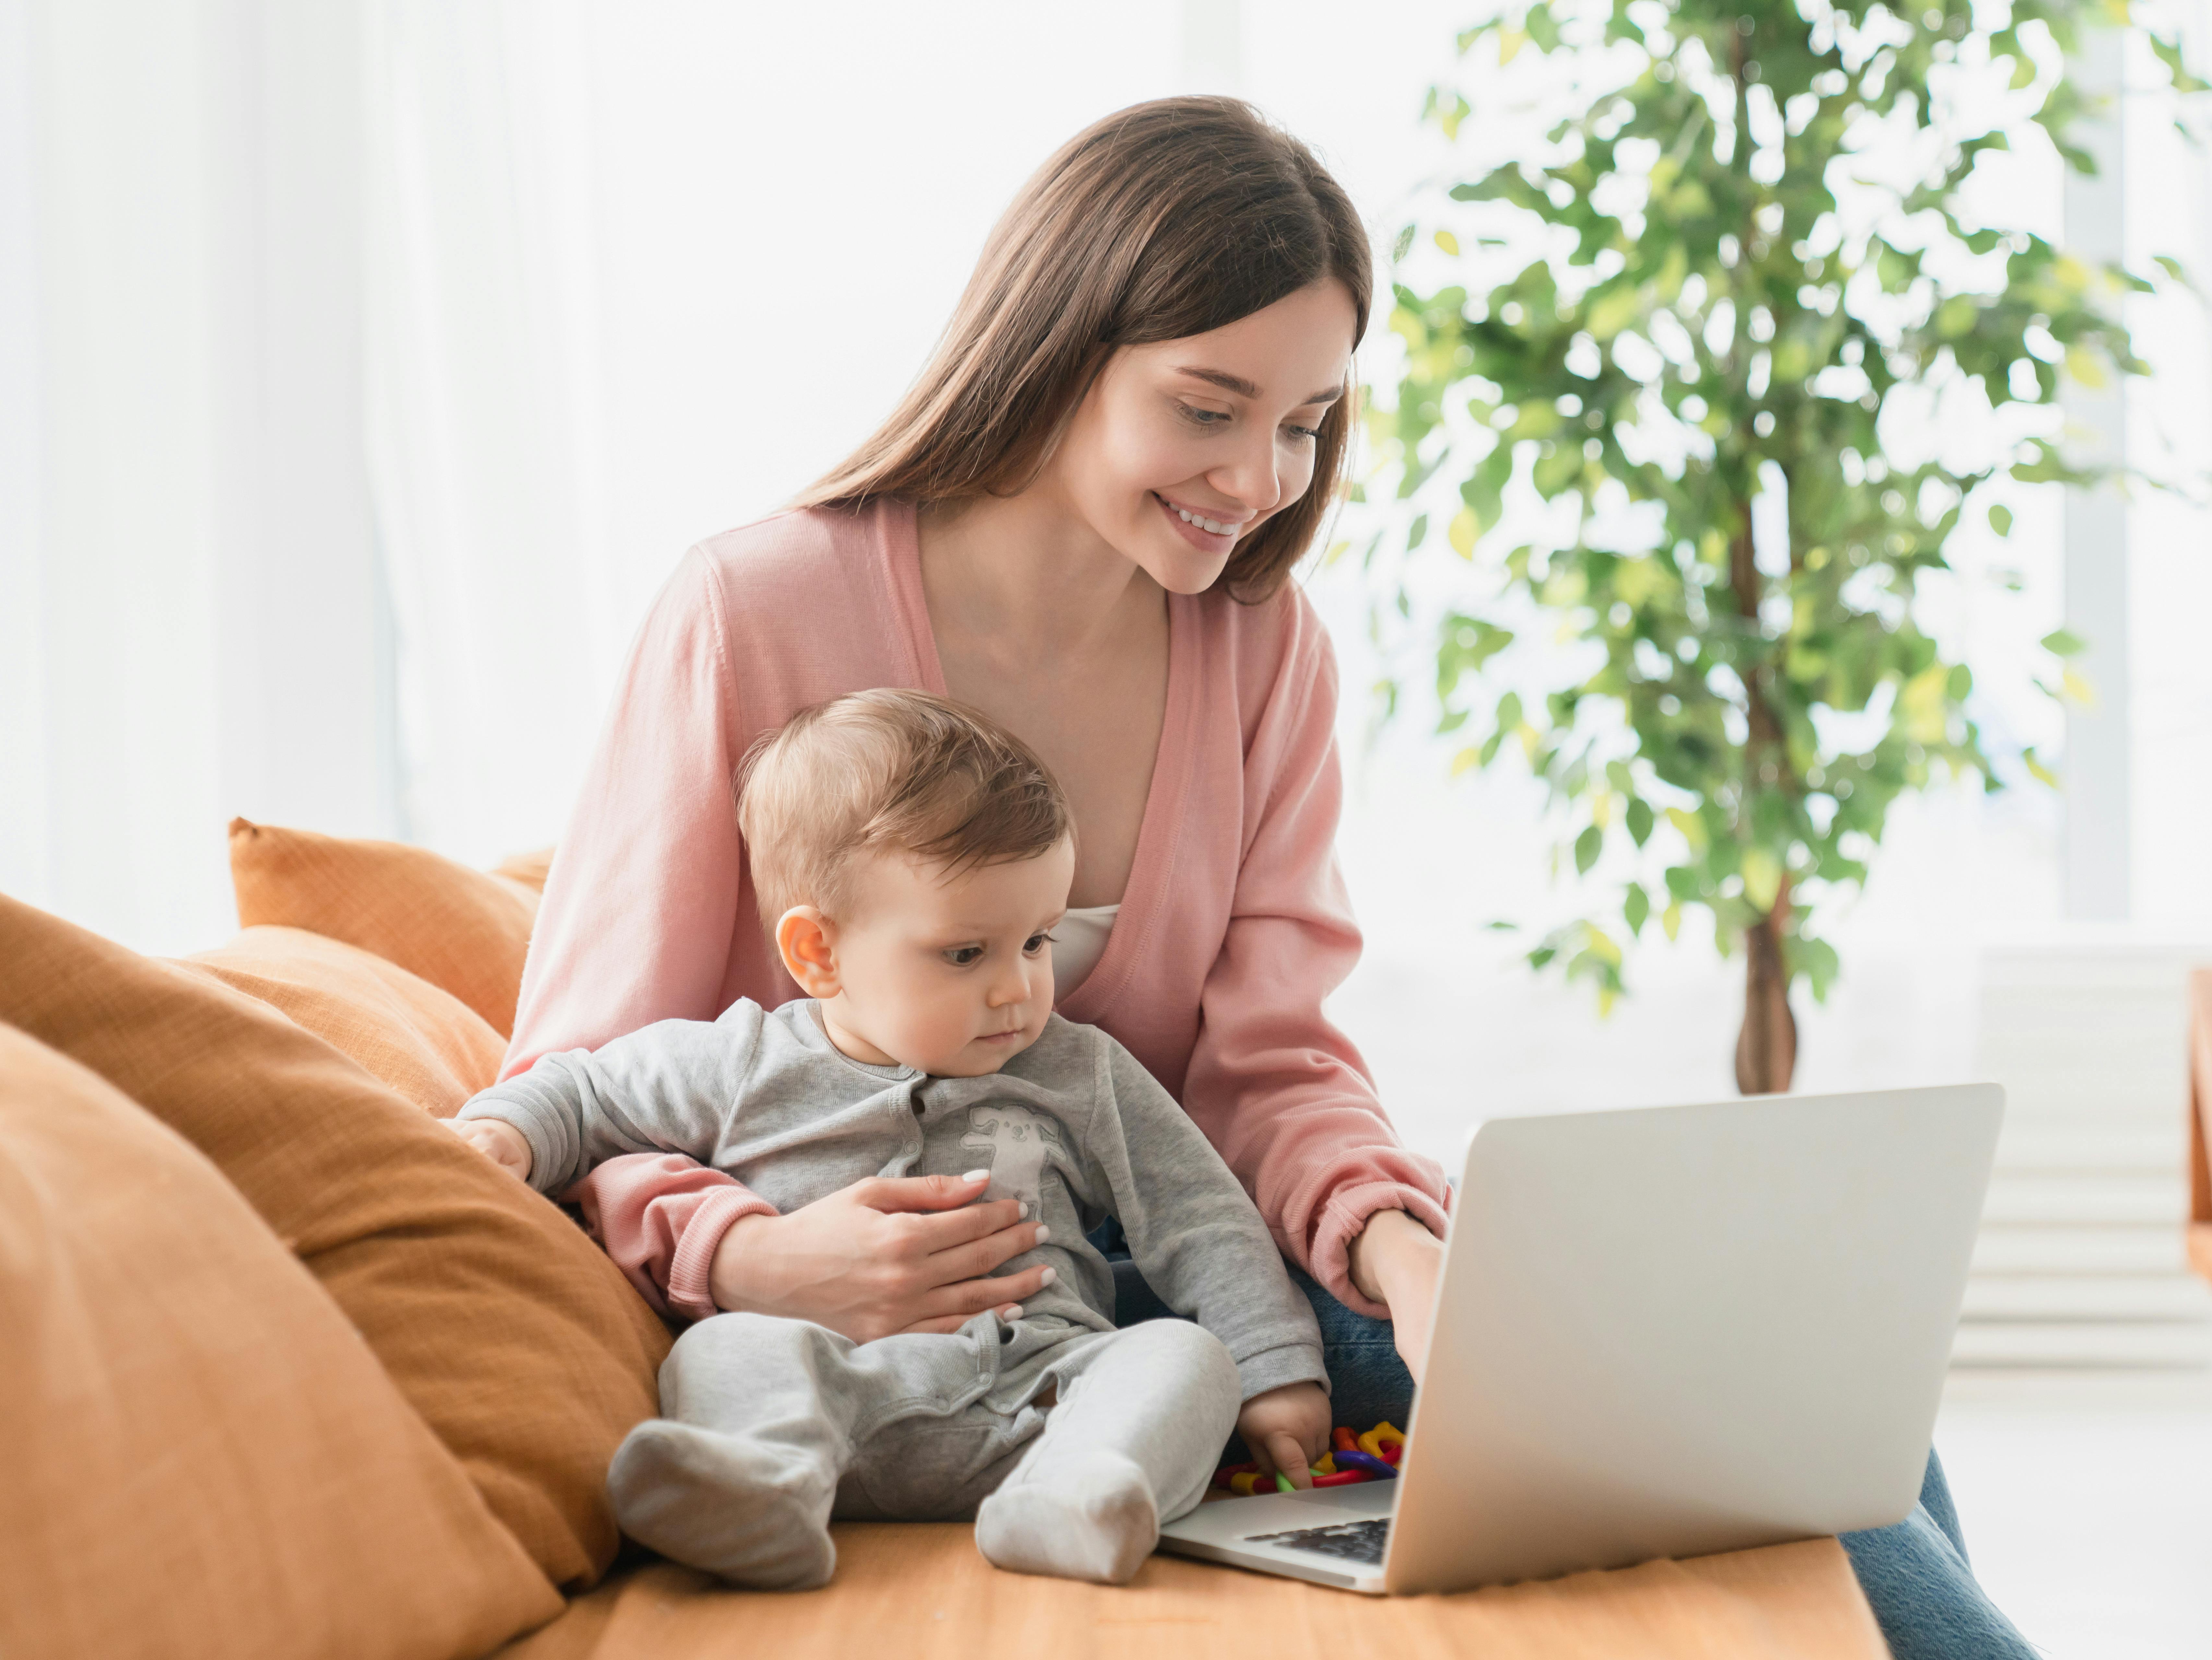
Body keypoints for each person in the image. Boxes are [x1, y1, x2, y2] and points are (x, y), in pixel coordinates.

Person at [505, 95, 2037, 1658]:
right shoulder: (752, 610)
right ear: (1058, 347)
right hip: (917, 1320)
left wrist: (1407, 1252)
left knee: (1822, 1416)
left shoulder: (1256, 645)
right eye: (1208, 408)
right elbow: (580, 1068)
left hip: (1199, 1279)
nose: (1260, 479)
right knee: (1795, 1481)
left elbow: (1274, 1064)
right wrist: (751, 1256)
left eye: (1306, 423)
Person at [454, 690, 1327, 1588]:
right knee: (725, 1350)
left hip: (1044, 1394)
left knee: (1186, 1357)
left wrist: (1274, 1368)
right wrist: (507, 1131)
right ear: (819, 954)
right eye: (965, 953)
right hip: (835, 1390)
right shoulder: (744, 1058)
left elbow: (1201, 1214)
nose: (1018, 989)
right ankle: (758, 1491)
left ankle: (1076, 1497)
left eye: (1037, 941)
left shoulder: (1081, 1071)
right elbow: (586, 1086)